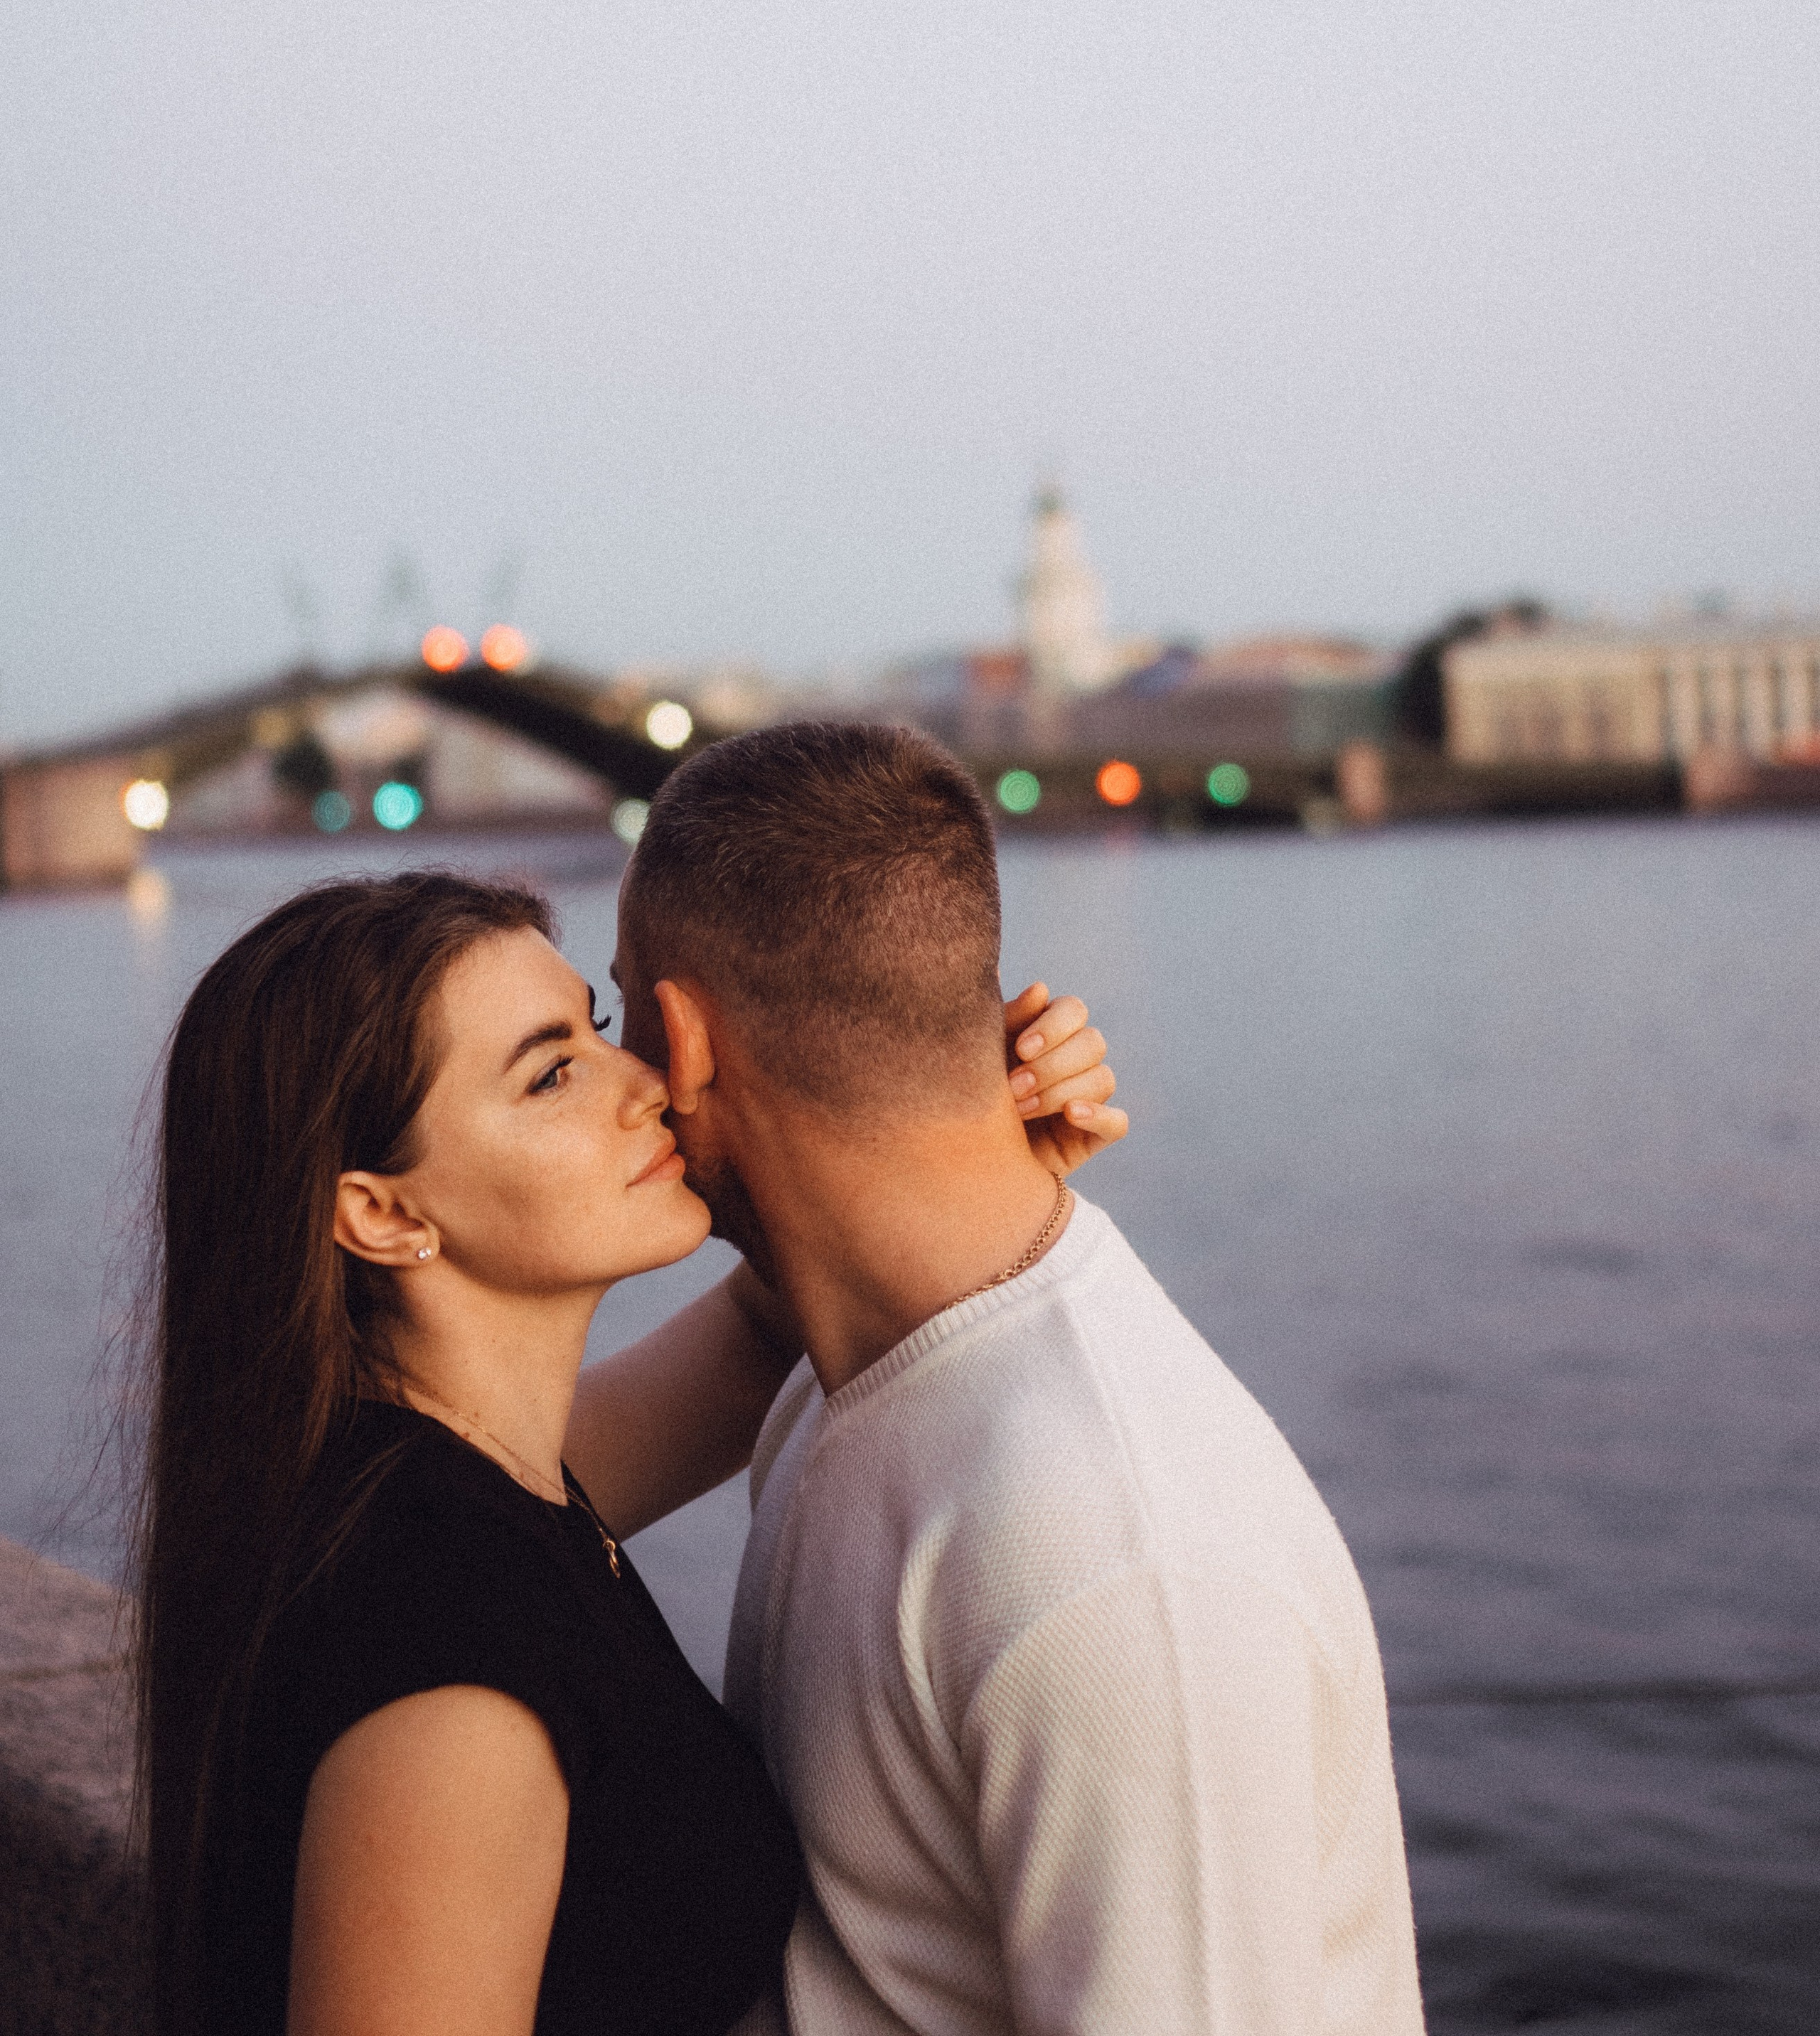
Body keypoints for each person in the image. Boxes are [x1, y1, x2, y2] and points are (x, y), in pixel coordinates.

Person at [139, 869, 1120, 2036]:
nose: (649, 1083)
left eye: (597, 1032)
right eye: (553, 1072)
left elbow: (778, 1316)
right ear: (386, 1215)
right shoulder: (449, 1660)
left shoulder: (447, 1482)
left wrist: (952, 1128)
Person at [614, 722, 1427, 2036]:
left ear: (688, 1044)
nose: (620, 1082)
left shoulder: (1117, 1566)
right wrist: (972, 1155)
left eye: (619, 1017)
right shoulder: (837, 1382)